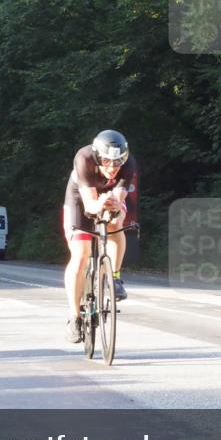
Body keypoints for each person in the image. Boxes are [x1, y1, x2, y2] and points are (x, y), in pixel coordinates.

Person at [63, 130, 136, 343]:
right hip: (80, 199)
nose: (112, 168)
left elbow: (120, 200)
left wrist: (114, 207)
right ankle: (75, 316)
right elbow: (90, 205)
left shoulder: (129, 163)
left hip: (109, 196)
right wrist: (100, 204)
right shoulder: (84, 158)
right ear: (97, 157)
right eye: (106, 161)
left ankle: (114, 277)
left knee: (116, 222)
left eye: (117, 162)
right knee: (81, 254)